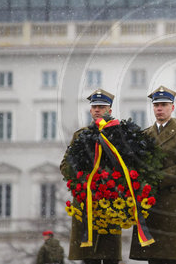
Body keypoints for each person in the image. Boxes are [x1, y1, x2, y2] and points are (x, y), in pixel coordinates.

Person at [130, 85, 176, 264]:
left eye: (164, 104)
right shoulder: (145, 135)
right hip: (149, 204)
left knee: (172, 256)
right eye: (156, 105)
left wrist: (156, 178)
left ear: (172, 107)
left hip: (172, 203)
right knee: (154, 257)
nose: (159, 108)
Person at [60, 89, 121, 264]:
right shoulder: (80, 135)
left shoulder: (120, 135)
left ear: (109, 109)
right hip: (86, 202)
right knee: (88, 258)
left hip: (110, 203)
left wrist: (107, 181)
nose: (97, 110)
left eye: (101, 107)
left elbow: (129, 168)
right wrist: (82, 178)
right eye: (94, 107)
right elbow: (65, 165)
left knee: (110, 256)